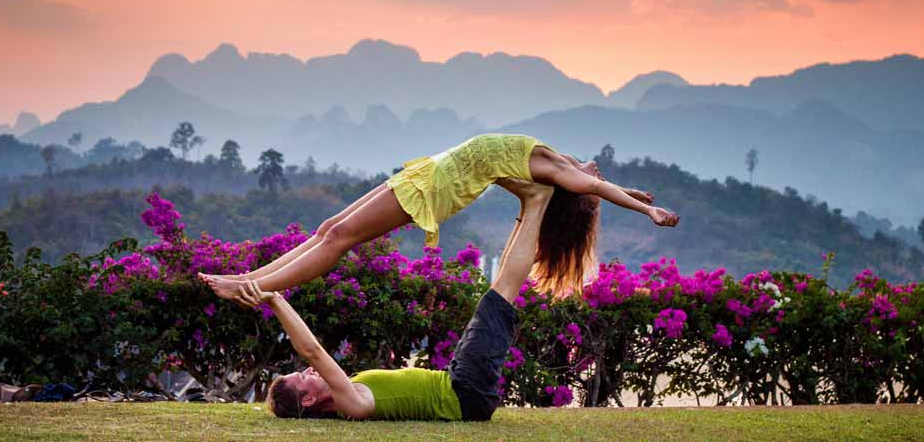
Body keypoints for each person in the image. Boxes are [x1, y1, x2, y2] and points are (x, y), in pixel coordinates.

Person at [234, 179, 574, 420]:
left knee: (497, 293)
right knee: (500, 298)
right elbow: (312, 351)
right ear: (308, 399)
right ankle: (537, 202)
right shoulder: (353, 404)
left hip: (458, 383)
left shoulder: (351, 393)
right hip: (465, 394)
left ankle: (531, 204)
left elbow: (312, 357)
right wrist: (275, 298)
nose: (308, 369)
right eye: (302, 377)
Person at [201, 133, 678, 300]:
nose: (598, 173)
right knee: (330, 228)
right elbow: (597, 182)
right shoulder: (565, 166)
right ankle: (248, 277)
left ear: (576, 192)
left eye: (594, 185)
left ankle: (253, 289)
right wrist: (632, 192)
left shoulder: (564, 174)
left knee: (341, 237)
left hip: (436, 189)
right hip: (427, 172)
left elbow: (595, 186)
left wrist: (646, 209)